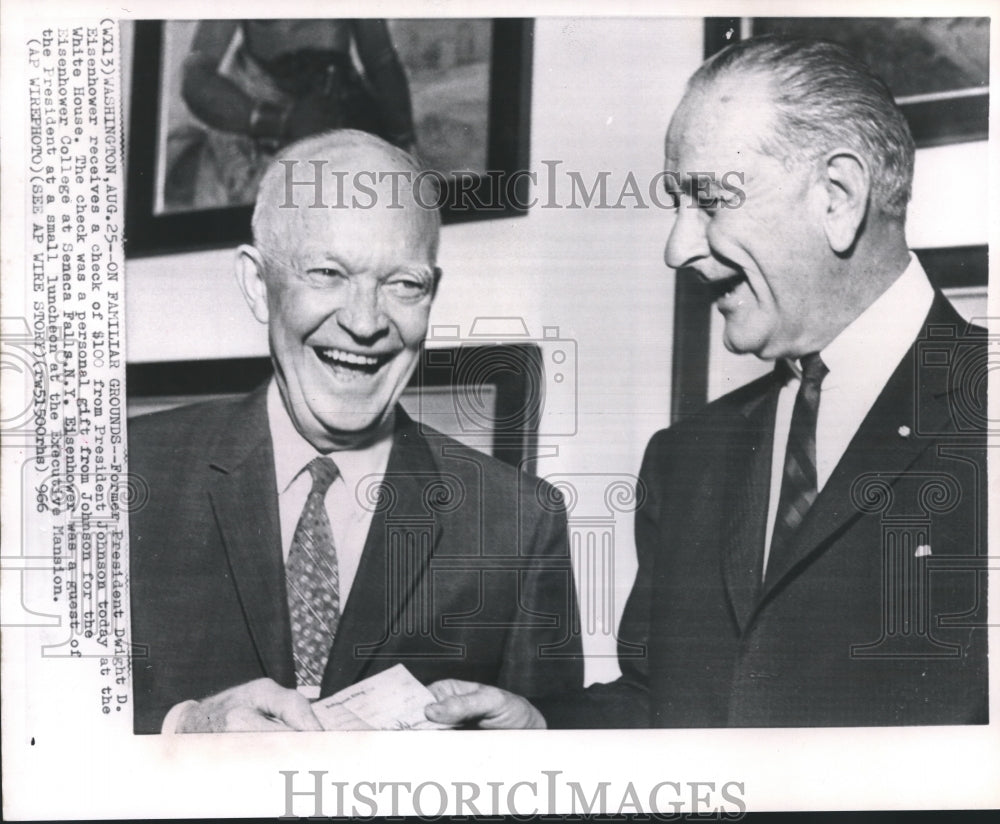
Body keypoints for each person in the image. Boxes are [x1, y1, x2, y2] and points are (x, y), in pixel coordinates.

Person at [425, 35, 988, 729]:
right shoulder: (687, 459)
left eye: (710, 202)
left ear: (837, 197)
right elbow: (658, 707)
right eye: (676, 205)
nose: (677, 247)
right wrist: (541, 727)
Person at [129, 130, 582, 733]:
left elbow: (559, 758)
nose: (366, 323)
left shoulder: (519, 523)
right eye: (327, 273)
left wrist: (536, 738)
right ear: (258, 284)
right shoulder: (128, 477)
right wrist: (184, 729)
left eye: (404, 284)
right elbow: (38, 738)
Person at [166, 19, 416, 210]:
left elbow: (381, 60)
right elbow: (195, 75)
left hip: (339, 104)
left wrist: (403, 139)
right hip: (259, 109)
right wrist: (281, 122)